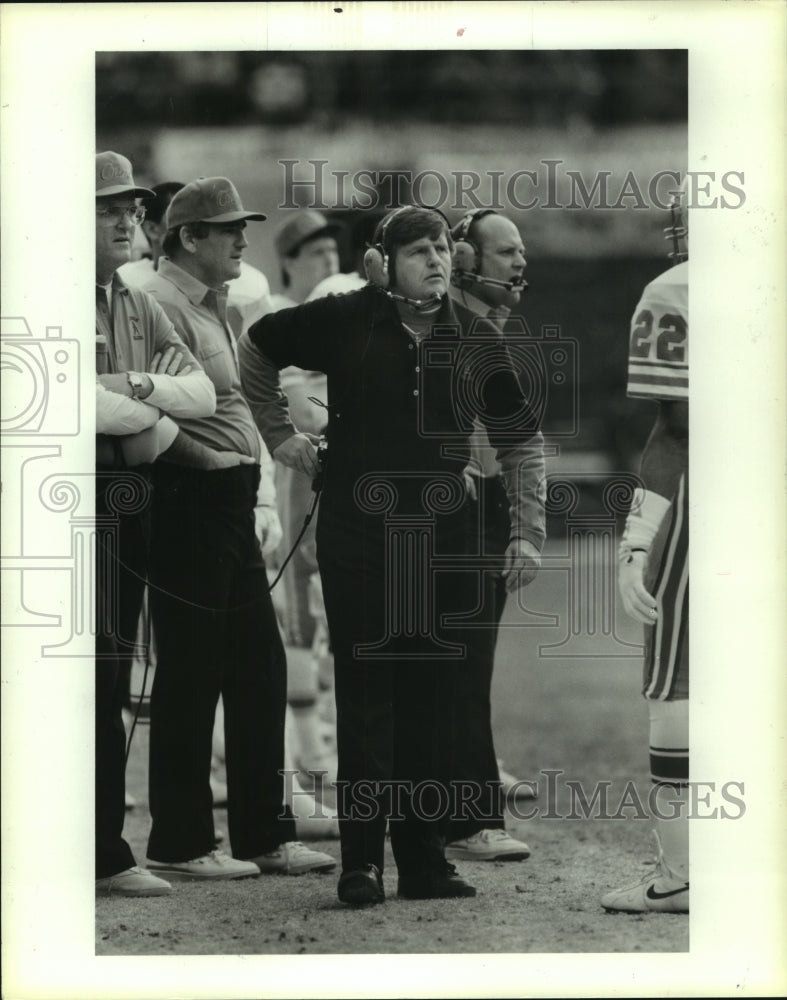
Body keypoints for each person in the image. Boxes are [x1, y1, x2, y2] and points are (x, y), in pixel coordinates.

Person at [240, 205, 545, 906]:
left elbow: (521, 441)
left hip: (444, 539)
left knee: (430, 697)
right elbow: (255, 349)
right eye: (417, 251)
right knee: (365, 693)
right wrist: (279, 436)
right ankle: (362, 862)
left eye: (440, 248)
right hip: (357, 534)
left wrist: (526, 532)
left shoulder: (473, 337)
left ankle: (424, 861)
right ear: (382, 264)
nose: (435, 260)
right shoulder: (344, 317)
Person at [137, 176, 336, 880]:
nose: (243, 240)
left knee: (258, 666)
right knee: (191, 670)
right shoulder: (154, 301)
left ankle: (261, 834)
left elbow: (232, 401)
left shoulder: (214, 302)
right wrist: (214, 462)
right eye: (227, 230)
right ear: (188, 237)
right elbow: (149, 409)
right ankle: (182, 842)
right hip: (186, 496)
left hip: (228, 497)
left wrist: (251, 483)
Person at [93, 150, 217, 896]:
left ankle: (104, 850)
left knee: (111, 675)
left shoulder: (136, 304)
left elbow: (201, 393)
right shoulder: (42, 293)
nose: (125, 220)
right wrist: (153, 413)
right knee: (76, 678)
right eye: (107, 208)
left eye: (131, 209)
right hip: (68, 502)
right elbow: (68, 399)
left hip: (129, 499)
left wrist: (131, 389)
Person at [443, 208, 544, 862]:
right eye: (506, 251)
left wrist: (524, 530)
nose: (520, 261)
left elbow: (521, 444)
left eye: (520, 250)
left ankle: (455, 811)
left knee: (464, 667)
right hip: (439, 510)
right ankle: (466, 817)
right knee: (456, 667)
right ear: (464, 260)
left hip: (478, 510)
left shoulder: (490, 331)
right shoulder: (445, 326)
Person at [601, 189, 689, 913]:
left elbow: (677, 427)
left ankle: (681, 875)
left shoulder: (675, 290)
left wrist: (639, 538)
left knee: (677, 683)